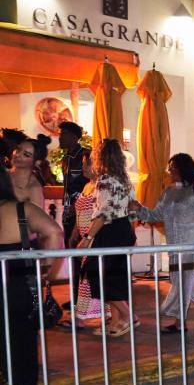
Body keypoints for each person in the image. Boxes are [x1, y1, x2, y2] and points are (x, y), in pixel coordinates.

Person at [130, 153, 194, 333]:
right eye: (170, 167)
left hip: (193, 243)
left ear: (184, 168)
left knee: (183, 280)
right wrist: (139, 209)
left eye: (174, 167)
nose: (170, 170)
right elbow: (156, 215)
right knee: (181, 279)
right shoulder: (168, 192)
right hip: (174, 244)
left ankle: (179, 322)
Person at [0, 167, 64, 385]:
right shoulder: (20, 211)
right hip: (17, 288)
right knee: (19, 348)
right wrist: (46, 267)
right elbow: (54, 231)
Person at [77, 140, 138, 337]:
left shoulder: (104, 180)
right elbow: (134, 208)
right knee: (113, 276)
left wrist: (87, 238)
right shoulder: (125, 179)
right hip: (124, 229)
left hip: (110, 230)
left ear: (100, 156)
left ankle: (129, 316)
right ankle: (119, 319)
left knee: (95, 273)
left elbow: (102, 213)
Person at [69, 152, 106, 322]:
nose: (82, 167)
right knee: (90, 277)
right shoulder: (87, 186)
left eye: (86, 164)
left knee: (89, 276)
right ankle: (111, 313)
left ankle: (81, 317)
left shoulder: (102, 186)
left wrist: (89, 237)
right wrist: (75, 232)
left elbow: (102, 215)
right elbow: (80, 211)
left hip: (95, 238)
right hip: (85, 238)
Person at [58, 122, 90, 309]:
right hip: (68, 212)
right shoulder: (66, 158)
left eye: (63, 134)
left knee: (82, 257)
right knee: (73, 256)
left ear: (74, 136)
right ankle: (77, 297)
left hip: (82, 213)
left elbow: (89, 183)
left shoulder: (85, 155)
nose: (60, 137)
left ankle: (85, 300)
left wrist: (77, 205)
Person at [9, 134, 47, 209]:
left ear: (37, 162)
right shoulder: (3, 174)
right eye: (18, 149)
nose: (18, 155)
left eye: (26, 154)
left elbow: (38, 219)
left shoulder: (33, 188)